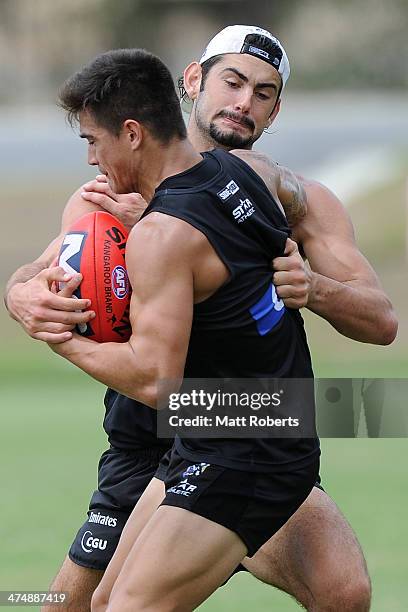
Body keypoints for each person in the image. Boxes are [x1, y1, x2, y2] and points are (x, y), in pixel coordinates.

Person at [4, 26, 396, 612]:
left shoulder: (280, 191)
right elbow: (41, 270)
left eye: (264, 93)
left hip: (235, 424)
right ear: (192, 82)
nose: (243, 103)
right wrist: (21, 296)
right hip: (148, 442)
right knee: (70, 605)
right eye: (232, 82)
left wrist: (316, 288)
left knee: (343, 593)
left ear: (277, 108)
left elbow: (382, 321)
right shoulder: (111, 192)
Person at [51, 45, 323, 611]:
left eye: (92, 141)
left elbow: (154, 383)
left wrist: (61, 336)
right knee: (102, 604)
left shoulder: (164, 234)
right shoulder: (236, 173)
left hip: (249, 452)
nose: (90, 161)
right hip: (228, 427)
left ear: (131, 133)